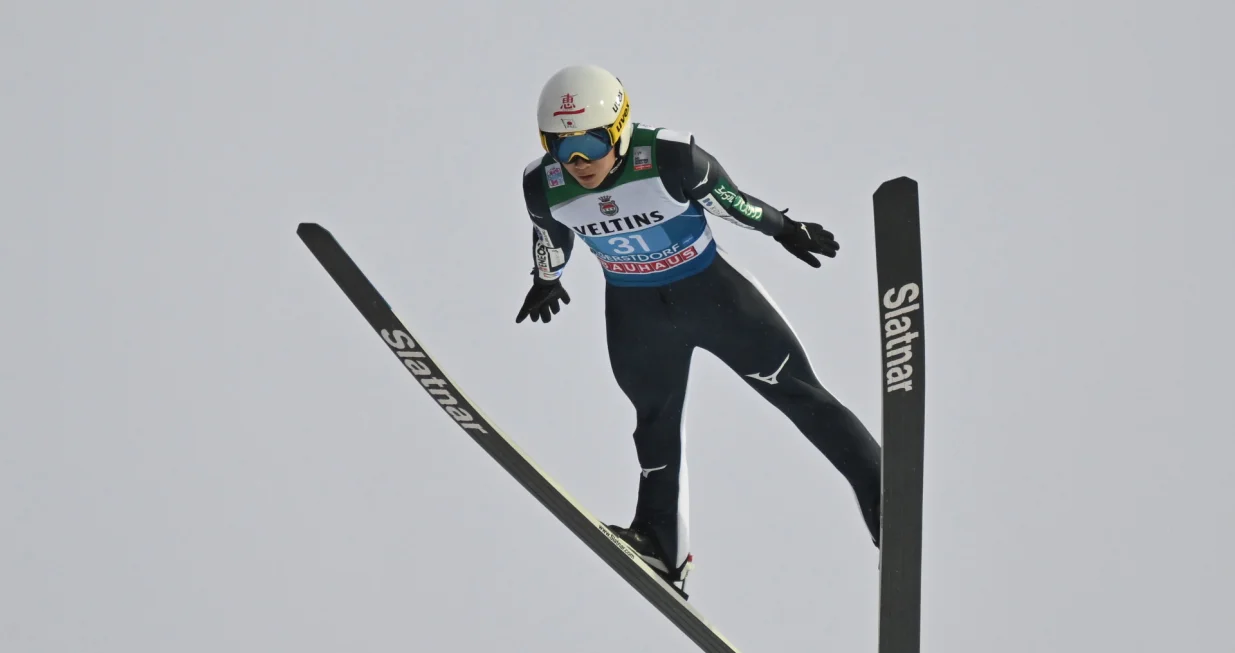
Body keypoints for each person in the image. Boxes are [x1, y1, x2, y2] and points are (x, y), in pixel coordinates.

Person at [516, 64, 881, 594]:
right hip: (635, 313)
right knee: (654, 424)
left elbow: (734, 204)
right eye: (561, 147)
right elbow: (552, 234)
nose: (578, 163)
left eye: (592, 144)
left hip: (715, 298)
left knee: (800, 396)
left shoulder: (670, 158)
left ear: (619, 129)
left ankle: (884, 501)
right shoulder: (541, 184)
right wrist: (546, 279)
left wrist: (787, 229)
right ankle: (661, 547)